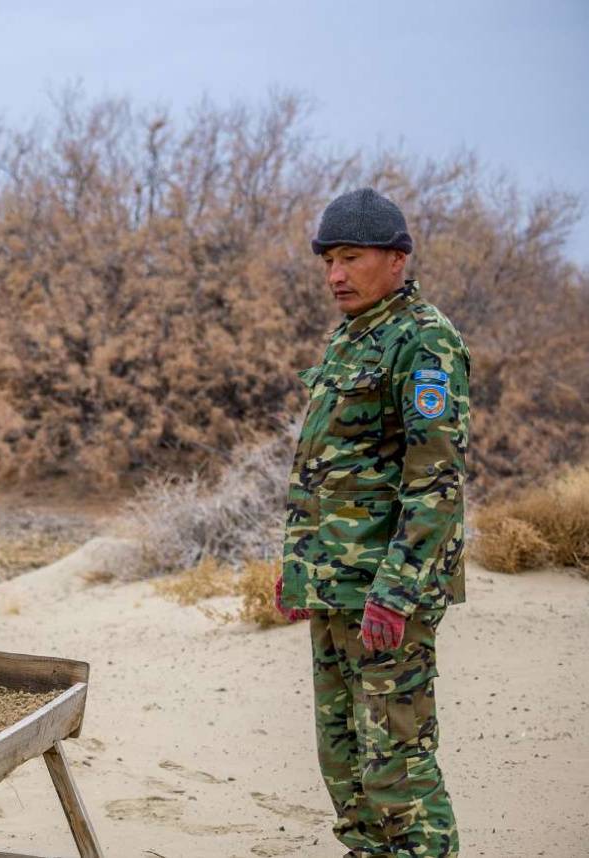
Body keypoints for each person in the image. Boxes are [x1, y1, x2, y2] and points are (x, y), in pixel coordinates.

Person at [275, 187, 469, 857]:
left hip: (386, 596)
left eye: (351, 258)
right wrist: (298, 570)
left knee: (397, 773)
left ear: (397, 259)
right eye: (329, 260)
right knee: (347, 771)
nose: (335, 275)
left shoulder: (424, 341)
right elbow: (327, 464)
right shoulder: (353, 335)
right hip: (336, 590)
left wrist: (398, 592)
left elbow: (436, 482)